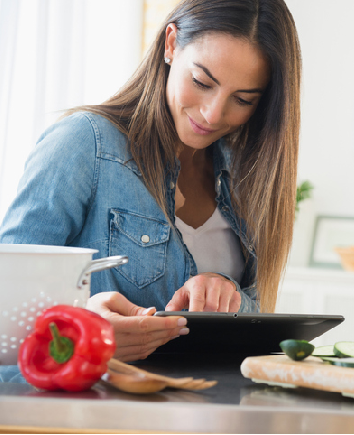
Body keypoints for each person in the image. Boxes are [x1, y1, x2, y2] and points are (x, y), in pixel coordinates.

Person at [0, 0, 301, 362]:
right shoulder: (85, 143)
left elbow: (257, 322)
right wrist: (84, 333)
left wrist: (230, 295)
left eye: (242, 99)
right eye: (202, 81)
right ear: (171, 44)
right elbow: (8, 308)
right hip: (100, 411)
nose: (213, 113)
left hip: (215, 409)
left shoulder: (247, 175)